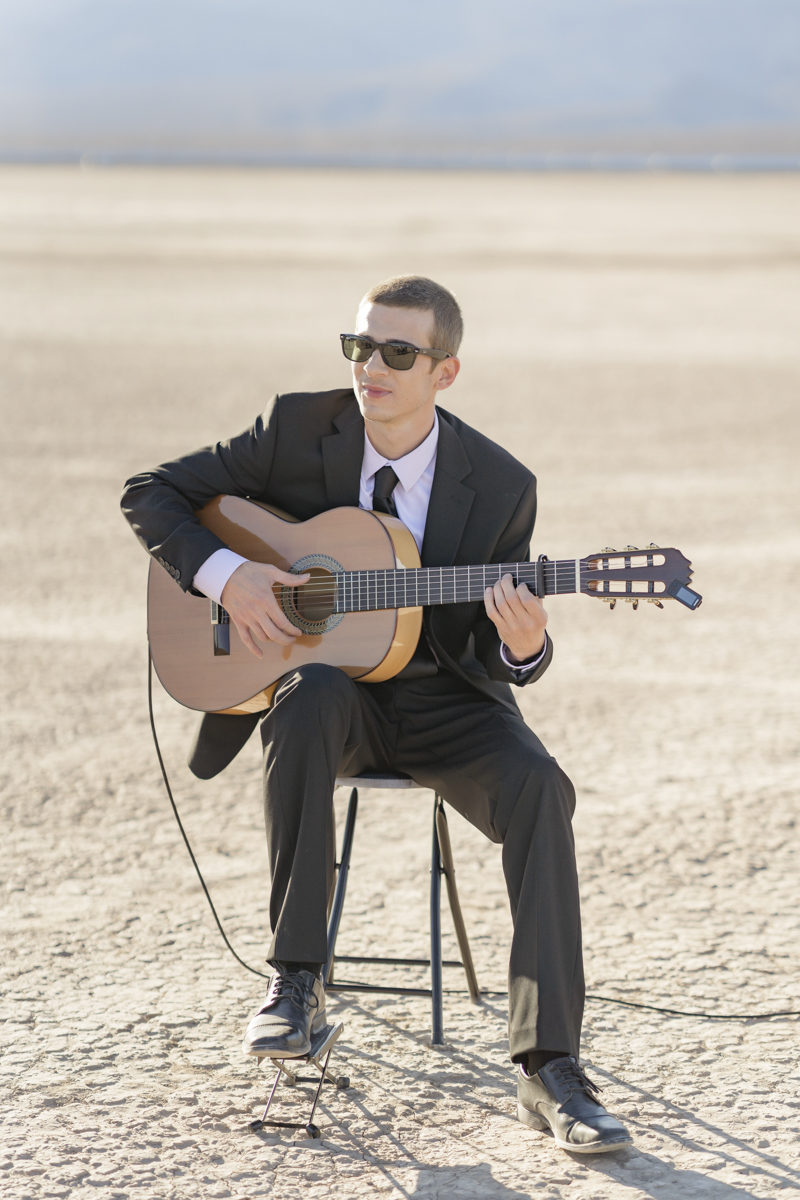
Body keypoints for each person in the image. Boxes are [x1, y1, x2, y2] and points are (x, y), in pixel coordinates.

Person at [121, 275, 631, 1154]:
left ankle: (549, 1068)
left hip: (447, 699)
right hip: (331, 695)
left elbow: (501, 653)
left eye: (399, 353)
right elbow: (150, 492)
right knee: (312, 691)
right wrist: (230, 577)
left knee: (543, 788)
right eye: (361, 347)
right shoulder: (295, 428)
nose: (373, 368)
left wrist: (524, 645)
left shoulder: (501, 483)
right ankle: (296, 983)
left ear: (447, 371)